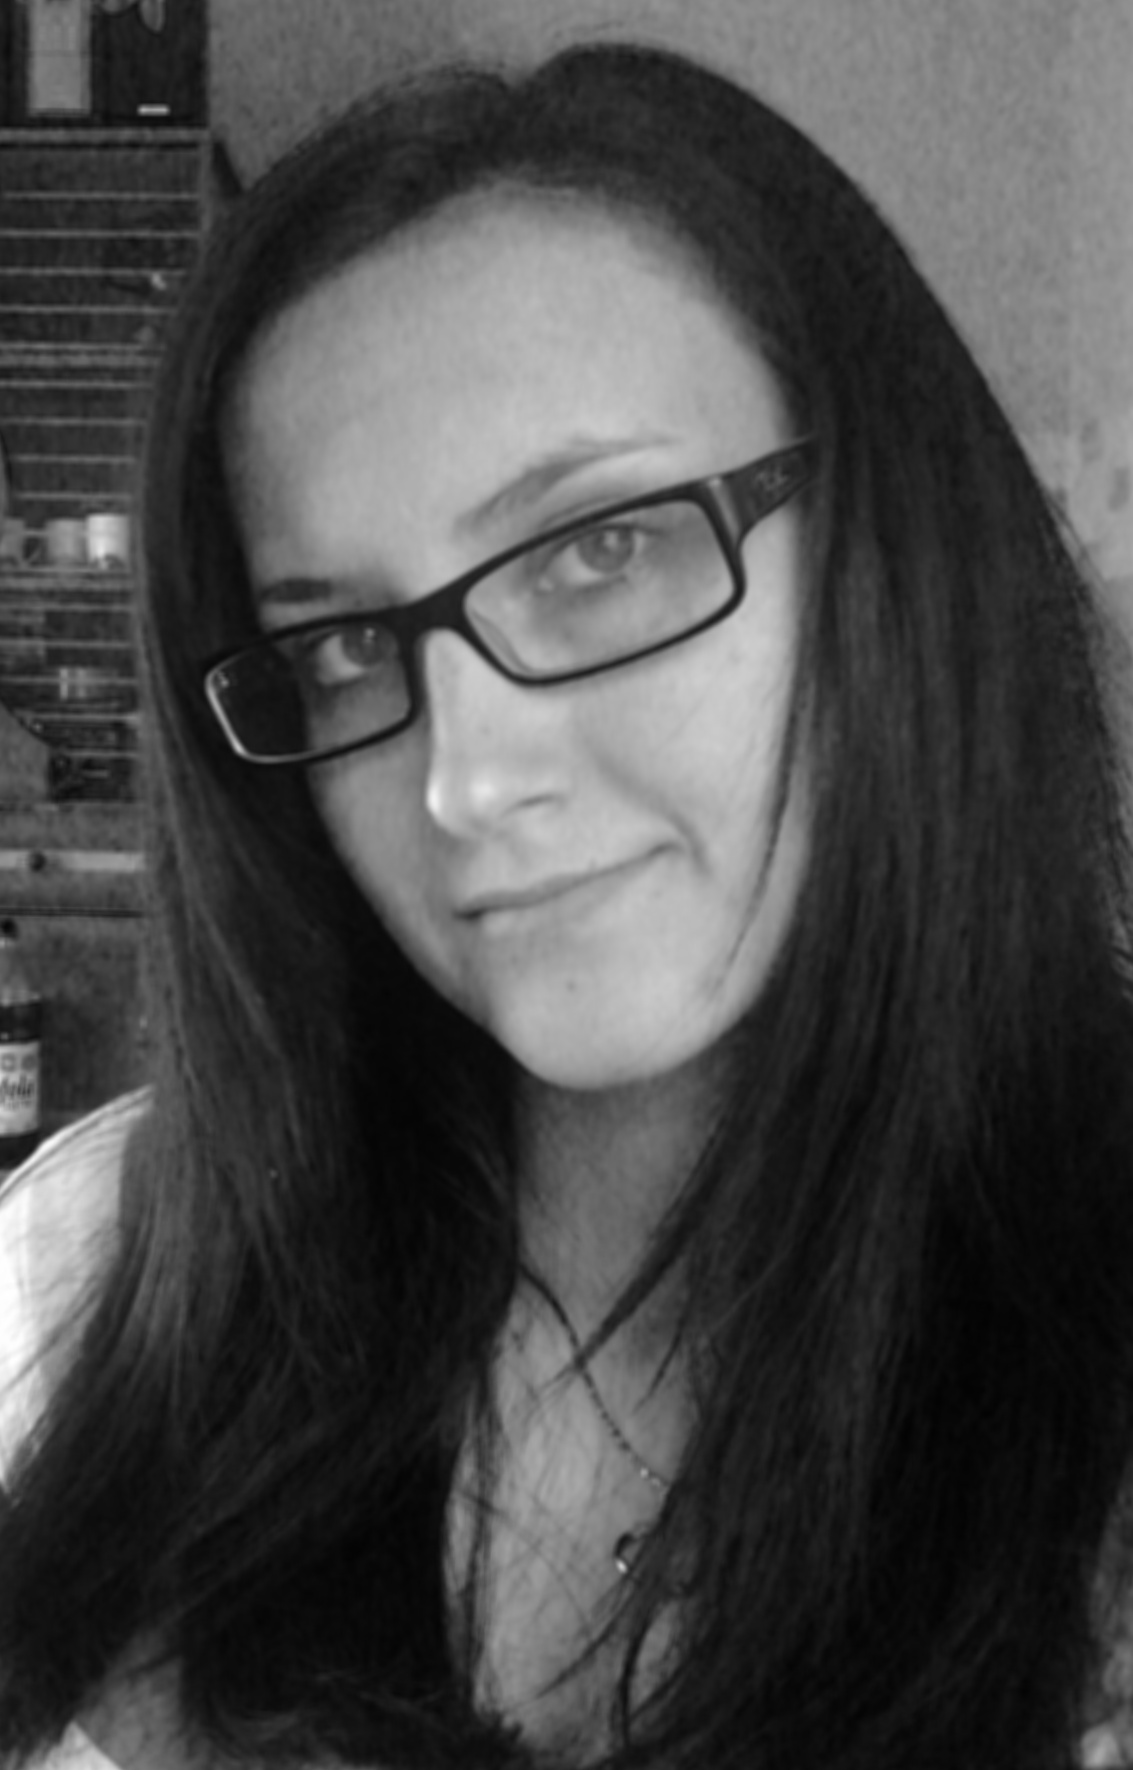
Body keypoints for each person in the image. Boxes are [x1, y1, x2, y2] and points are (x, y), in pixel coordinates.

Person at [2, 37, 1133, 1770]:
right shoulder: (94, 1278)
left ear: (894, 549)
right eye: (342, 646)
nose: (461, 780)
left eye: (600, 551)